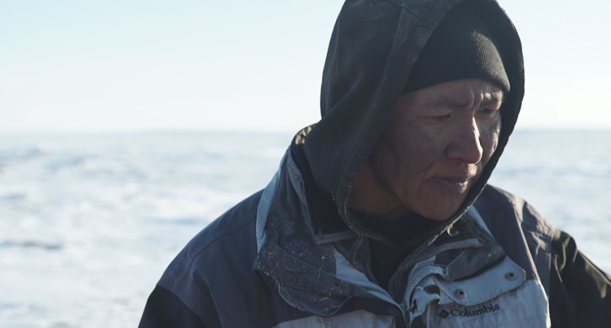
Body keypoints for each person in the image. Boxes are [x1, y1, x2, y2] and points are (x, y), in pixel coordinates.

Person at [138, 0, 611, 327]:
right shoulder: (217, 280)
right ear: (365, 120)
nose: (471, 149)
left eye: (488, 112)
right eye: (440, 115)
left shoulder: (526, 246)